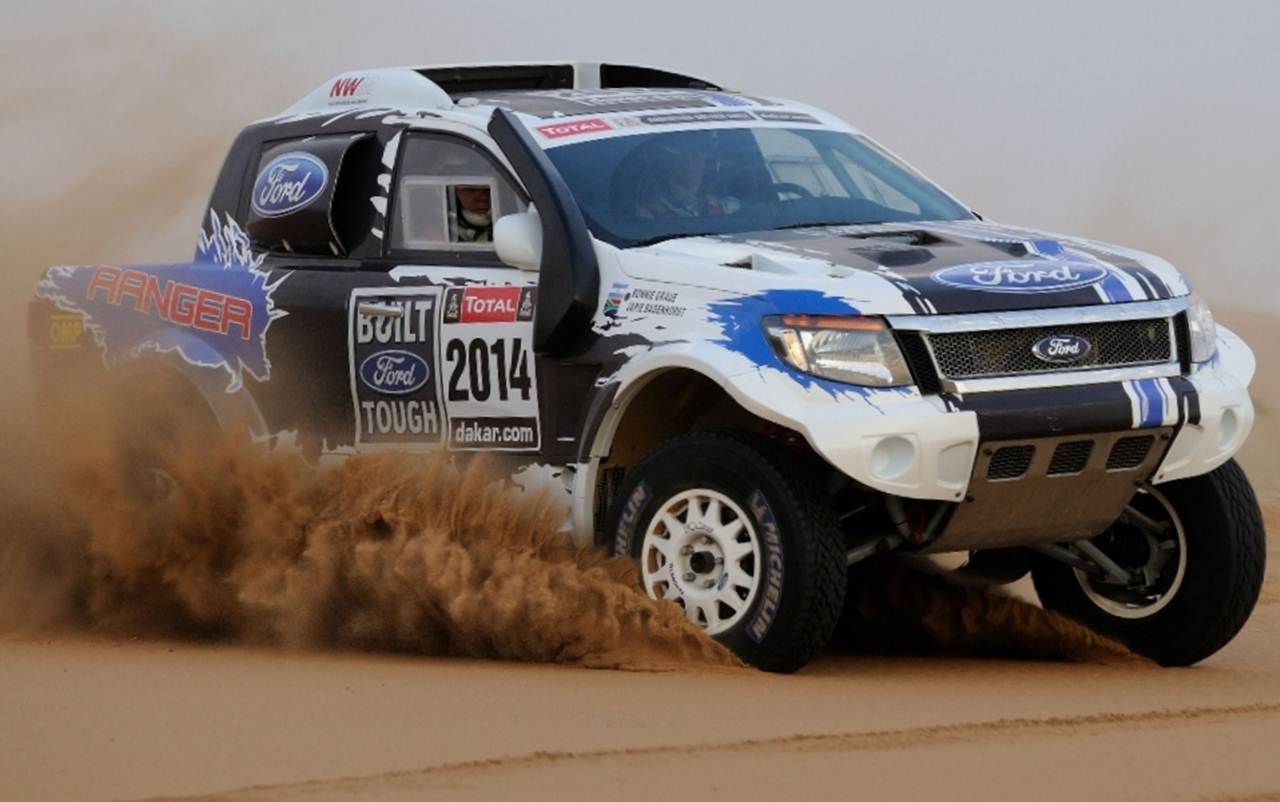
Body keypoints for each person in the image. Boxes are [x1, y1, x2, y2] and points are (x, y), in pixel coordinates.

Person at [635, 135, 727, 219]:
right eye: (682, 165)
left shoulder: (725, 208)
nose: (691, 171)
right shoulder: (646, 217)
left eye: (698, 163)